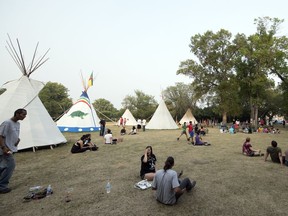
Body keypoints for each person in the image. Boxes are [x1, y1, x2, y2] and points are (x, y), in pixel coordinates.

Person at [0, 108, 27, 193]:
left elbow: (12, 134)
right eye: (23, 114)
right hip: (5, 149)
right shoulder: (7, 123)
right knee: (10, 166)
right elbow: (1, 135)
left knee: (3, 166)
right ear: (17, 114)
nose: (25, 116)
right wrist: (3, 147)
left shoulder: (17, 124)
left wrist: (17, 139)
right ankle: (2, 186)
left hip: (12, 148)